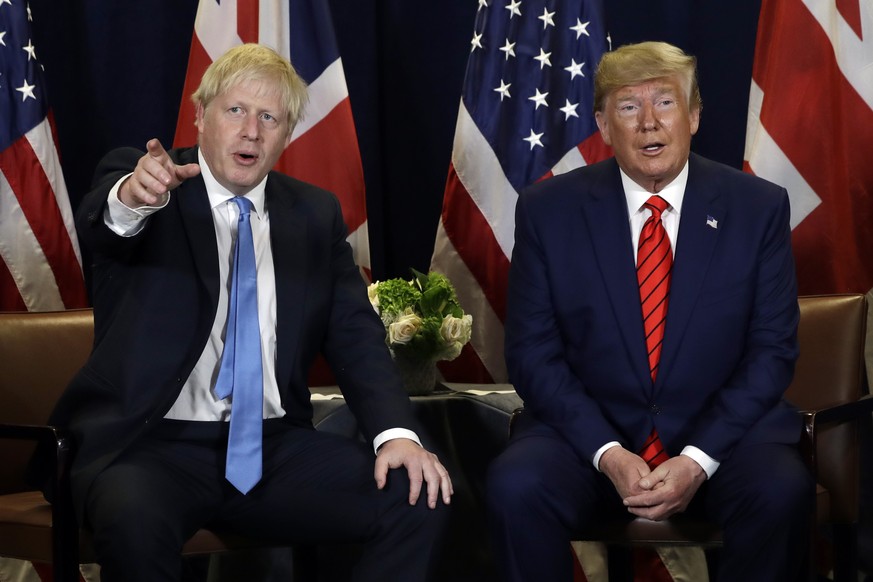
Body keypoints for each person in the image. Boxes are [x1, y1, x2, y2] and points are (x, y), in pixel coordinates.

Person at [35, 43, 452, 582]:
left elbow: (355, 336)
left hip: (274, 449)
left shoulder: (313, 214)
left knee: (419, 496)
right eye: (235, 110)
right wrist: (132, 199)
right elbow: (108, 222)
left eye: (269, 117)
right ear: (199, 115)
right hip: (149, 447)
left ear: (286, 135)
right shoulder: (153, 184)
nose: (251, 131)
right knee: (133, 520)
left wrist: (396, 433)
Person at [487, 41, 814, 581]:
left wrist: (697, 459)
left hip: (721, 441)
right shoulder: (549, 211)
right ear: (602, 122)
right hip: (591, 439)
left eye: (665, 102)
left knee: (780, 490)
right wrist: (609, 452)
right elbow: (532, 354)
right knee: (514, 486)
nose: (648, 124)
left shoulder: (756, 208)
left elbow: (772, 351)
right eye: (628, 107)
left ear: (694, 115)